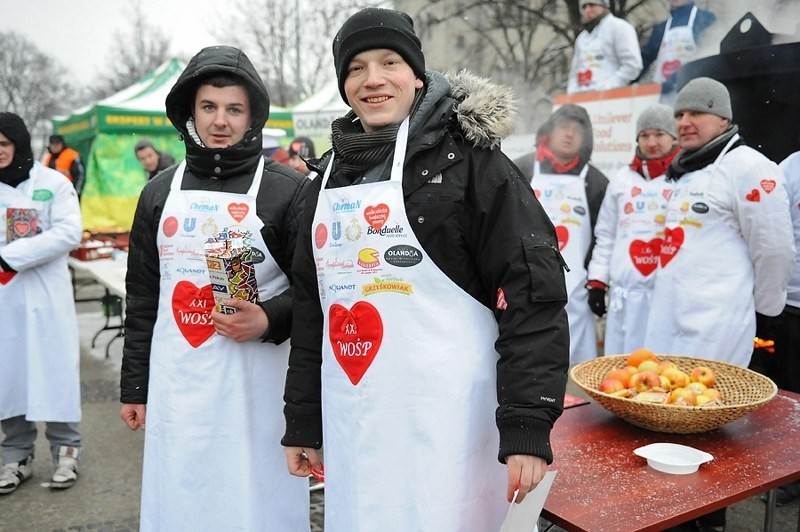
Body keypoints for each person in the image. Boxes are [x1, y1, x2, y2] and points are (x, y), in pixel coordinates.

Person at [282, 7, 570, 531]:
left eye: (388, 61)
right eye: (355, 68)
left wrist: (528, 425)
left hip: (451, 428)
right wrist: (303, 420)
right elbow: (311, 313)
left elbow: (532, 296)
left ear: (416, 74)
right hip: (357, 427)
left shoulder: (474, 165)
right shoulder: (322, 181)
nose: (373, 80)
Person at [119, 46, 310, 531]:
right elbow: (143, 297)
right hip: (178, 383)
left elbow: (314, 294)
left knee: (253, 498)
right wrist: (134, 386)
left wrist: (269, 318)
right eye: (208, 107)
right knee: (182, 493)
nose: (219, 121)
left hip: (257, 387)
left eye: (233, 109)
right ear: (189, 111)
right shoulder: (159, 192)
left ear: (252, 116)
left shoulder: (285, 190)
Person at [645, 78, 795, 531]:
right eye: (680, 114)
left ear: (724, 118)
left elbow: (774, 248)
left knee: (707, 434)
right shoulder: (685, 170)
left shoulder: (750, 167)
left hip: (715, 328)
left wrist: (767, 310)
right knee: (663, 422)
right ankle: (668, 513)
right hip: (667, 322)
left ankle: (708, 519)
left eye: (697, 113)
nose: (684, 122)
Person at [0, 112, 84, 494]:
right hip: (7, 299)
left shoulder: (54, 182)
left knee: (54, 371)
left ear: (18, 142)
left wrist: (12, 255)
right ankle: (16, 455)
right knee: (9, 374)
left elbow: (68, 231)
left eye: (3, 144)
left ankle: (67, 450)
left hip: (47, 297)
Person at [514, 104, 609, 364]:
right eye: (563, 127)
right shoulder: (522, 168)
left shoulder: (596, 182)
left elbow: (605, 236)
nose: (569, 135)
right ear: (549, 131)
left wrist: (596, 283)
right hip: (526, 287)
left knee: (576, 371)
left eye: (577, 130)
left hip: (576, 295)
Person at [587, 104, 679, 354]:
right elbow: (606, 235)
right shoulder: (622, 180)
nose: (651, 142)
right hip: (624, 298)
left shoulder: (683, 178)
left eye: (659, 134)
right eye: (645, 135)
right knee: (620, 370)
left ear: (673, 137)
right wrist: (597, 281)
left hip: (663, 297)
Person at [638, 0, 716, 98]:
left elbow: (708, 57)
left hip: (693, 93)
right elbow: (645, 59)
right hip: (662, 96)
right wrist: (626, 79)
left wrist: (677, 78)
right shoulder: (661, 28)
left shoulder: (705, 20)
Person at [567, 0, 642, 94]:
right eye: (584, 7)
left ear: (603, 5)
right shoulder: (582, 38)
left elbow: (632, 65)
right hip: (582, 99)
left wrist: (608, 87)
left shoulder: (620, 28)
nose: (587, 10)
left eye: (591, 5)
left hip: (612, 98)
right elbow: (575, 70)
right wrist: (572, 92)